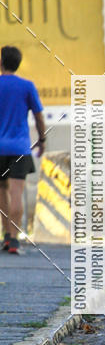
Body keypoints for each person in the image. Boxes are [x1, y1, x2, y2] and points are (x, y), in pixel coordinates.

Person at [0, 46, 45, 254]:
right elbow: (38, 116)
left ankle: (7, 235)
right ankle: (15, 240)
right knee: (17, 192)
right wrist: (42, 139)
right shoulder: (27, 86)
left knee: (2, 192)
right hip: (19, 147)